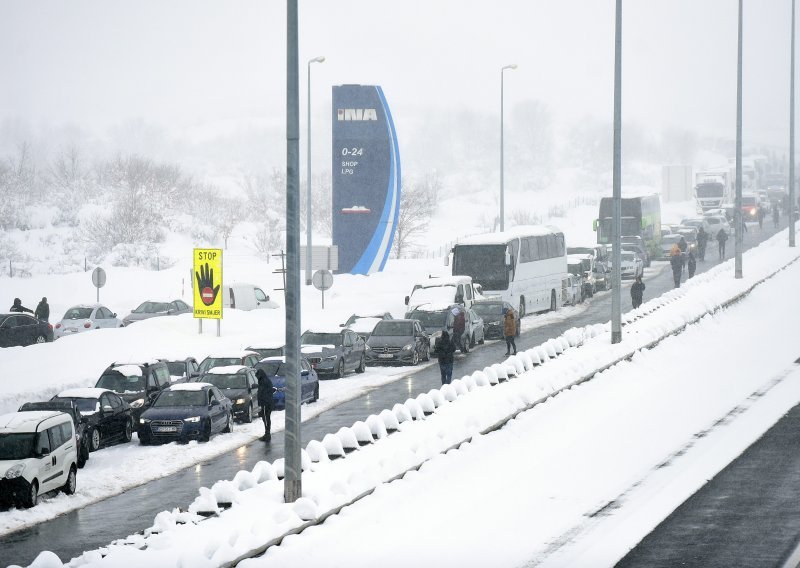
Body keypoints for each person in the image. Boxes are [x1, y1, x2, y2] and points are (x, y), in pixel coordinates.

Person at [255, 368, 274, 442]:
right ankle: (267, 433)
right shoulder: (265, 381)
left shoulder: (264, 382)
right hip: (267, 402)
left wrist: (262, 402)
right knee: (266, 418)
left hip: (266, 403)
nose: (257, 378)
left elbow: (263, 393)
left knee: (266, 418)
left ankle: (267, 434)